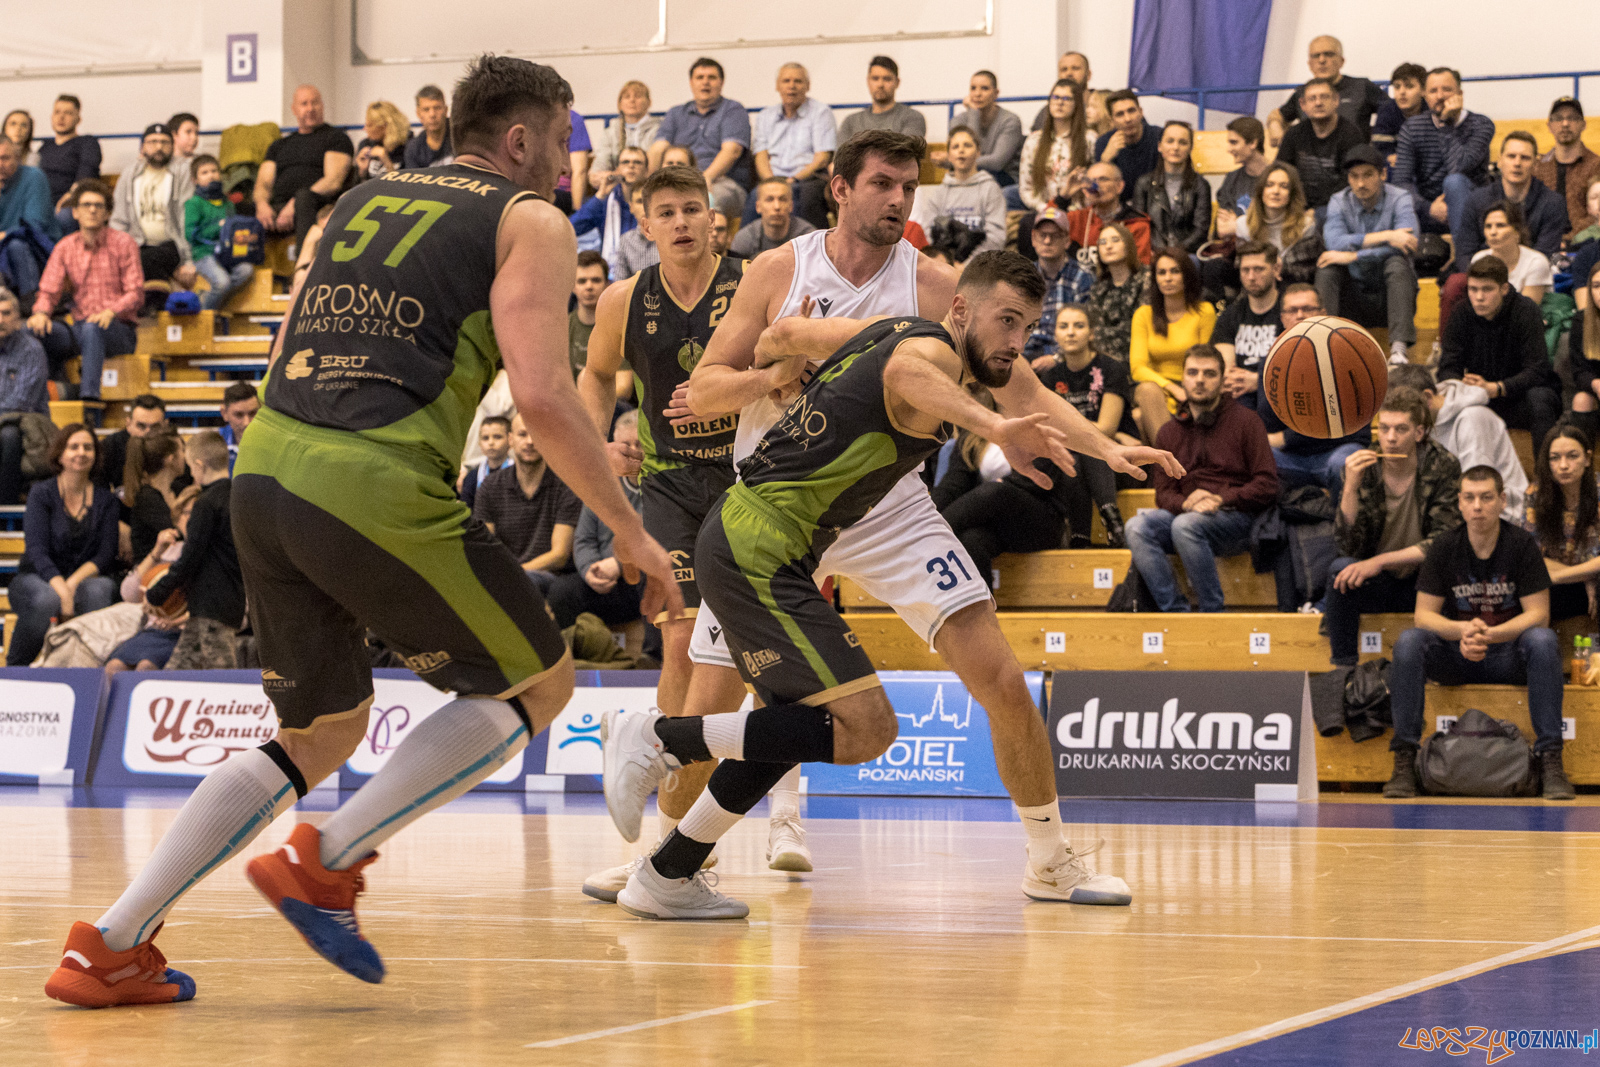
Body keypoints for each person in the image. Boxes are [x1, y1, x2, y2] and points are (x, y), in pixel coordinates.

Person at [43, 55, 683, 1008]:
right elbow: (544, 394)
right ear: (517, 140)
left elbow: (288, 338)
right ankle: (329, 858)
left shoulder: (361, 200)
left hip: (265, 470)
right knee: (539, 679)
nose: (566, 160)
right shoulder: (531, 219)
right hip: (372, 476)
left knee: (320, 729)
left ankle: (109, 942)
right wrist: (629, 531)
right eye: (560, 139)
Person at [677, 135, 1179, 911]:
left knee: (1003, 678)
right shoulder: (779, 270)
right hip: (781, 502)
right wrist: (771, 379)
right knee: (711, 696)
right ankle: (666, 856)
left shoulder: (939, 285)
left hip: (889, 507)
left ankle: (1050, 859)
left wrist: (1105, 446)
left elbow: (1024, 392)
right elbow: (702, 394)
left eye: (909, 187)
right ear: (839, 188)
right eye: (882, 183)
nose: (898, 199)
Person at [577, 163, 757, 890]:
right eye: (667, 212)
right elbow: (593, 375)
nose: (683, 222)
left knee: (733, 664)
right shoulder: (623, 299)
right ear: (643, 224)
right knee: (679, 640)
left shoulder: (752, 284)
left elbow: (792, 369)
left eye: (694, 209)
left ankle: (696, 843)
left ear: (714, 217)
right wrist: (597, 450)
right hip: (668, 486)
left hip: (749, 482)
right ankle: (670, 849)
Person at [1384, 466, 1574, 801]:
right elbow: (1423, 616)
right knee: (1409, 642)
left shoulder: (1521, 544)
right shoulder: (1444, 546)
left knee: (1543, 641)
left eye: (1486, 497)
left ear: (1502, 500)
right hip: (1457, 655)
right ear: (1459, 502)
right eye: (1470, 498)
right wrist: (1462, 631)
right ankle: (1404, 760)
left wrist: (1491, 635)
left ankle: (1551, 761)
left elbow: (1539, 615)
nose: (1478, 506)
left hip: (1507, 655)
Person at [1125, 344, 1276, 612]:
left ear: (1222, 380)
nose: (1200, 380)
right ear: (1182, 378)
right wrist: (1187, 503)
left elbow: (1266, 484)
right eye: (1193, 372)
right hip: (1188, 517)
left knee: (1186, 525)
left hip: (1237, 520)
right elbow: (1164, 494)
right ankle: (1175, 611)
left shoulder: (1247, 421)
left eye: (1209, 374)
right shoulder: (1169, 432)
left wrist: (1220, 499)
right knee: (1136, 527)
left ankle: (1212, 611)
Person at [1322, 387, 1461, 667]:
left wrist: (1378, 562)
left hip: (1427, 582)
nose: (1390, 438)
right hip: (1383, 582)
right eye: (1384, 428)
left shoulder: (1442, 465)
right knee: (1340, 571)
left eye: (1401, 429)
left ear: (1419, 433)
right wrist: (1349, 488)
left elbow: (1442, 542)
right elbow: (1347, 545)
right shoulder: (1367, 466)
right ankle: (1343, 671)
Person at [8, 423, 119, 666]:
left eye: (88, 447)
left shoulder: (106, 500)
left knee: (100, 590)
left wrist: (71, 584)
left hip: (81, 578)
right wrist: (62, 590)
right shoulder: (41, 494)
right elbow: (36, 550)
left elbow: (106, 554)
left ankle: (84, 670)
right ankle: (15, 669)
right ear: (60, 454)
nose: (81, 452)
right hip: (37, 578)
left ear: (96, 455)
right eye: (73, 447)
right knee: (47, 599)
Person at [1031, 303, 1135, 546]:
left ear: (1091, 333)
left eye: (1079, 326)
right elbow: (1049, 429)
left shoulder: (1110, 368)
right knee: (1076, 452)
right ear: (1055, 334)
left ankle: (1103, 526)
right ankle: (1092, 533)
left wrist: (1072, 433)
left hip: (1119, 462)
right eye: (1063, 326)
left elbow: (1107, 427)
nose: (1070, 332)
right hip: (1074, 461)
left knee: (1090, 444)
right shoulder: (1050, 378)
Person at [27, 181, 141, 401]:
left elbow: (135, 293)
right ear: (75, 212)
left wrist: (111, 311)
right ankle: (35, 398)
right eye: (86, 205)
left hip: (119, 330)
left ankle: (89, 399)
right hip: (77, 329)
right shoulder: (65, 247)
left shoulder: (124, 243)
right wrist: (41, 313)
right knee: (31, 331)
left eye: (99, 206)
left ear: (107, 213)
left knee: (92, 327)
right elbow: (48, 290)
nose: (92, 210)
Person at [1437, 256, 1561, 453]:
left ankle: (1543, 478)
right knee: (1444, 402)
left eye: (1487, 289)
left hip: (1520, 396)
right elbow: (1448, 367)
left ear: (1503, 289)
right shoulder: (1461, 312)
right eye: (1473, 289)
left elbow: (1538, 370)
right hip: (1480, 396)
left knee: (1541, 398)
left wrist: (1498, 388)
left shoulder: (1526, 311)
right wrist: (1461, 387)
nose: (1478, 297)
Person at [144, 430, 243, 670]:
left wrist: (158, 592)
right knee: (177, 671)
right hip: (230, 600)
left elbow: (190, 556)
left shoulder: (206, 504)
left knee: (223, 675)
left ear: (198, 465)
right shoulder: (238, 498)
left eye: (190, 466)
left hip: (211, 605)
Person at [547, 408, 652, 631]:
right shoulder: (603, 486)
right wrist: (590, 570)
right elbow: (583, 539)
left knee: (653, 580)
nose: (631, 451)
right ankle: (574, 652)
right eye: (624, 445)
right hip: (603, 579)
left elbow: (655, 538)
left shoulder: (658, 485)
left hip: (641, 577)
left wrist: (618, 564)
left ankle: (652, 658)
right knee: (562, 591)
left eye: (639, 444)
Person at [1317, 144, 1420, 364]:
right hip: (1352, 294)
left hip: (1389, 294)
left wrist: (1355, 256)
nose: (1360, 184)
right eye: (1354, 177)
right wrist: (1388, 235)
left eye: (1368, 175)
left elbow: (1409, 243)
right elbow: (1333, 242)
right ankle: (1323, 346)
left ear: (1383, 174)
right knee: (1327, 268)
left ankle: (1399, 351)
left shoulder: (1400, 198)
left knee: (1397, 263)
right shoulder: (1339, 200)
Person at [1388, 363, 1528, 522]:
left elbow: (1477, 492)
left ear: (1427, 398)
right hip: (1456, 516)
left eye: (1405, 410)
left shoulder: (1472, 419)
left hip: (1504, 519)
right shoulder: (1423, 424)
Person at [1390, 68, 1495, 274]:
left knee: (1454, 182)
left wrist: (1448, 125)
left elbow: (1459, 166)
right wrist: (1429, 207)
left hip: (1473, 209)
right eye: (1433, 91)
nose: (1440, 96)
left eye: (1446, 89)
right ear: (1425, 96)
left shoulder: (1481, 124)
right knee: (1395, 202)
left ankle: (1465, 264)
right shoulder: (1412, 127)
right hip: (1429, 212)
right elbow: (1401, 182)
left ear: (1460, 94)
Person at [474, 411, 582, 595]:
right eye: (523, 434)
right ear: (511, 439)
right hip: (503, 574)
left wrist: (516, 573)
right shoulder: (490, 486)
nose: (530, 441)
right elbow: (485, 546)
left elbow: (559, 555)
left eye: (537, 434)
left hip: (548, 576)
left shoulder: (565, 486)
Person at [104, 486, 198, 675]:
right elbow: (129, 594)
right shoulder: (169, 551)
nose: (191, 518)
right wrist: (156, 552)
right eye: (186, 513)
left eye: (198, 513)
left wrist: (178, 620)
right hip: (154, 631)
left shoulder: (217, 556)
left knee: (146, 666)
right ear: (178, 519)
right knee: (113, 667)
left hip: (187, 632)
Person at [650, 58, 754, 221]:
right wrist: (650, 182)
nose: (705, 82)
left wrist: (705, 178)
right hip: (679, 182)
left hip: (722, 182)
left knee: (706, 201)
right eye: (700, 77)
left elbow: (732, 151)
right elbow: (658, 149)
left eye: (711, 77)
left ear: (721, 82)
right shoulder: (676, 113)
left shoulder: (733, 110)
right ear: (691, 82)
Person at [1129, 249, 1215, 442]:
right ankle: (1173, 462)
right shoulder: (1144, 315)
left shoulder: (1204, 312)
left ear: (1187, 275)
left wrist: (1186, 389)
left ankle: (1169, 466)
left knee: (1140, 418)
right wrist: (1172, 389)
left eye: (1175, 271)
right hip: (1160, 390)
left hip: (1194, 388)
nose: (1168, 278)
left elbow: (1205, 361)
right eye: (1162, 272)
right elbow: (1138, 368)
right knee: (1146, 391)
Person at [253, 85, 354, 247]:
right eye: (304, 103)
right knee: (236, 206)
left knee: (303, 198)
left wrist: (294, 204)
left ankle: (304, 266)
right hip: (278, 208)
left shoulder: (336, 138)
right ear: (294, 109)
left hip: (313, 205)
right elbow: (263, 183)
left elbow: (333, 182)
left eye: (315, 103)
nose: (310, 108)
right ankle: (238, 270)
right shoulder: (279, 145)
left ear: (322, 106)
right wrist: (261, 204)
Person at [1523, 424, 1600, 625]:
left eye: (1572, 456)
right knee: (1526, 588)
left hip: (1567, 578)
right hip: (1565, 583)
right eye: (1555, 458)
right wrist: (1584, 577)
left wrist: (1560, 577)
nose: (1563, 465)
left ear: (1587, 459)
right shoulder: (1536, 496)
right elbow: (1534, 558)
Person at [1455, 132, 1566, 265]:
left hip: (1531, 278)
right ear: (1500, 160)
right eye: (1511, 156)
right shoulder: (1476, 201)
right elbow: (1465, 254)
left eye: (1525, 158)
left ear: (1536, 164)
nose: (1517, 163)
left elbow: (1544, 256)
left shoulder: (1553, 203)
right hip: (1484, 276)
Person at [109, 123, 196, 290]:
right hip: (137, 244)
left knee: (146, 259)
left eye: (165, 142)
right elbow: (118, 220)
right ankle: (159, 296)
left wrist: (188, 260)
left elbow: (186, 217)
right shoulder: (129, 174)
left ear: (172, 146)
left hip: (172, 243)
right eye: (153, 142)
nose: (159, 147)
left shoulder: (183, 171)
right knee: (136, 258)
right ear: (143, 147)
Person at [749, 63, 835, 230]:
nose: (792, 86)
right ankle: (747, 250)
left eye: (798, 81)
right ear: (777, 86)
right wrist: (771, 182)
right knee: (755, 197)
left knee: (804, 197)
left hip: (808, 179)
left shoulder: (820, 112)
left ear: (807, 86)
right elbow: (761, 155)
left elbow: (822, 158)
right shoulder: (765, 115)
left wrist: (794, 179)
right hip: (774, 178)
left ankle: (813, 248)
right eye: (786, 81)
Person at [1267, 36, 1386, 146]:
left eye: (1328, 54)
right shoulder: (1303, 92)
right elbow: (1278, 115)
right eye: (1316, 55)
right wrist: (1274, 124)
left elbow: (1393, 111)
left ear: (1341, 61)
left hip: (1354, 162)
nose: (1322, 60)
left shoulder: (1362, 87)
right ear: (1309, 64)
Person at [910, 126, 1006, 256]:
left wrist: (967, 266)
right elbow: (928, 233)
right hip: (944, 264)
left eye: (967, 145)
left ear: (978, 152)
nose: (961, 150)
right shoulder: (939, 192)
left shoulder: (990, 189)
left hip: (980, 265)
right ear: (948, 155)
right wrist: (945, 263)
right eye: (955, 147)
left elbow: (996, 238)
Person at [1272, 78, 1366, 210]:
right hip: (1297, 205)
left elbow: (1349, 182)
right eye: (1312, 98)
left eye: (1324, 97)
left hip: (1338, 206)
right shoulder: (1294, 134)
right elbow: (1281, 170)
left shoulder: (1351, 135)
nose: (1318, 103)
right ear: (1302, 105)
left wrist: (1315, 211)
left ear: (1336, 101)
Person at [1214, 241, 1283, 414]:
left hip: (1279, 395)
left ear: (1275, 269)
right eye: (1245, 270)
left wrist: (1259, 381)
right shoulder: (1231, 314)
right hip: (1241, 395)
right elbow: (1227, 371)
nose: (1251, 277)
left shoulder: (1289, 311)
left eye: (1259, 269)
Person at [1021, 207, 1092, 363]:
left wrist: (1056, 358)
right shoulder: (1022, 277)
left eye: (1055, 236)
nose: (1047, 241)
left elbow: (1087, 330)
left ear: (1067, 241)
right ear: (1033, 238)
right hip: (1023, 354)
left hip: (1065, 358)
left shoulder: (1082, 277)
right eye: (1043, 235)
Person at [184, 155, 254, 311]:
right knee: (222, 282)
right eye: (204, 172)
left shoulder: (228, 204)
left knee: (246, 270)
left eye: (214, 171)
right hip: (203, 254)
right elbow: (191, 234)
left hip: (226, 252)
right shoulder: (194, 203)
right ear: (195, 180)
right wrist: (219, 227)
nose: (211, 175)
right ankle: (204, 313)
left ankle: (216, 303)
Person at [1131, 120, 1211, 254]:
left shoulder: (1201, 185)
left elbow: (1201, 230)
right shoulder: (1144, 183)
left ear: (1190, 148)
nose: (1175, 147)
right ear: (1159, 146)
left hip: (1188, 255)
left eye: (1182, 142)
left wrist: (1175, 253)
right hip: (1153, 254)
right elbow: (1140, 225)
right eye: (1170, 141)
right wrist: (1158, 252)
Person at [0, 287, 49, 503]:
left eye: (6, 313)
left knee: (9, 436)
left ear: (18, 318)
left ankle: (5, 507)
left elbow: (20, 404)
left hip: (29, 426)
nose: (0, 319)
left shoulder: (31, 349)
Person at [1236, 161, 1320, 284]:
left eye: (1284, 186)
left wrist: (1273, 267)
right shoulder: (1243, 225)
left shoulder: (1305, 226)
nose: (1276, 191)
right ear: (1261, 191)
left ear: (1292, 194)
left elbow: (1304, 272)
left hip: (1292, 284)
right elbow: (1241, 266)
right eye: (1269, 185)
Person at [943, 71, 1024, 193]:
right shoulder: (958, 120)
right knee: (952, 182)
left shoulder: (1010, 121)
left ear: (996, 93)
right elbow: (964, 153)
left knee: (976, 181)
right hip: (968, 174)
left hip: (1003, 177)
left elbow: (997, 162)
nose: (977, 94)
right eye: (973, 88)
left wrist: (974, 111)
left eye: (984, 88)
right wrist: (974, 114)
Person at [1018, 80, 1089, 215]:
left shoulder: (1089, 139)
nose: (1060, 102)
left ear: (1077, 105)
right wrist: (1045, 208)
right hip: (1045, 212)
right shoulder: (1034, 140)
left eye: (1067, 98)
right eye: (1055, 97)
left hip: (1078, 213)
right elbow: (1026, 188)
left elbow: (1092, 184)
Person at [0, 138, 59, 301]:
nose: (0, 164)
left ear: (18, 159)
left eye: (5, 158)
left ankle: (31, 303)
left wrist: (4, 235)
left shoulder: (34, 177)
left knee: (15, 246)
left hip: (37, 247)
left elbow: (34, 226)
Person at [1062, 161, 1152, 264]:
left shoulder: (1136, 223)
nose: (1095, 185)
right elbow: (1044, 227)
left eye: (1103, 179)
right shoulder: (1076, 219)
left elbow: (1141, 267)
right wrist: (1063, 197)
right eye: (1090, 181)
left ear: (1119, 186)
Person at [1534, 97, 1600, 234]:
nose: (1565, 124)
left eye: (1573, 118)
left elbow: (1596, 214)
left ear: (1583, 124)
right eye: (1558, 118)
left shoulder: (1596, 165)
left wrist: (1570, 238)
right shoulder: (1538, 168)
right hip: (1544, 243)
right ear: (1549, 126)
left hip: (1586, 244)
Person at [122, 427, 186, 565]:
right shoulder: (147, 498)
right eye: (182, 451)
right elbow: (178, 535)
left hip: (173, 564)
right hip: (150, 570)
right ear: (170, 459)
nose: (185, 456)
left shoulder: (177, 489)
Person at [1085, 222, 1148, 362]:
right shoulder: (1099, 286)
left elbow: (1138, 328)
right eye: (1102, 242)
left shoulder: (1146, 278)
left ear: (1128, 245)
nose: (1108, 246)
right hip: (1102, 358)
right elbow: (1094, 329)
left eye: (1115, 240)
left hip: (1138, 356)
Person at [37, 95, 101, 229]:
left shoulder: (87, 142)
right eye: (57, 112)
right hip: (42, 203)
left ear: (78, 119)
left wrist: (72, 195)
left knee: (64, 215)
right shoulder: (44, 147)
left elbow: (88, 170)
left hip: (71, 202)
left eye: (68, 113)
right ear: (51, 117)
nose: (61, 117)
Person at [1093, 91, 1161, 203]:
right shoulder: (1103, 143)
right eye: (1120, 114)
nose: (1127, 119)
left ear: (1141, 112)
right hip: (1120, 210)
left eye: (1131, 111)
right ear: (1111, 121)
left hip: (1155, 206)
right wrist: (1105, 160)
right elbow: (1097, 191)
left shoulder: (1159, 136)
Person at [837, 56, 927, 141]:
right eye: (875, 78)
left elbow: (905, 152)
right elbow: (841, 156)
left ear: (897, 82)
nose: (880, 84)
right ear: (868, 81)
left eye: (887, 79)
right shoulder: (851, 122)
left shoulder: (912, 117)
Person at [592, 82, 659, 187]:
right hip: (618, 187)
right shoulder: (610, 133)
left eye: (638, 96)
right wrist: (617, 176)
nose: (632, 100)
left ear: (649, 102)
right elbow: (595, 175)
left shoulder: (660, 130)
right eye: (627, 97)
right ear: (619, 104)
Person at [730, 177, 816, 257]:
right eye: (769, 199)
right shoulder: (745, 239)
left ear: (791, 206)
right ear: (758, 207)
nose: (777, 206)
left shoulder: (808, 238)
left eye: (782, 199)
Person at [1214, 116, 1268, 233]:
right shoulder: (1231, 178)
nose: (1229, 149)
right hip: (1237, 247)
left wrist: (1236, 224)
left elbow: (1274, 226)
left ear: (1253, 143)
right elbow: (1223, 230)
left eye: (1234, 142)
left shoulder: (1277, 177)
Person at [568, 250, 610, 378]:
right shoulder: (562, 327)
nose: (589, 286)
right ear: (572, 286)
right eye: (582, 281)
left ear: (607, 284)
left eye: (596, 280)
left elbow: (624, 386)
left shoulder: (618, 326)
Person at [1372, 63, 1427, 156]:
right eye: (1397, 87)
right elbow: (1381, 150)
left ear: (1423, 90)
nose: (1402, 92)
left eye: (1409, 86)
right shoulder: (1387, 110)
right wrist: (1390, 157)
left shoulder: (1432, 111)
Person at [1570, 264, 1600, 438]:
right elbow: (1579, 371)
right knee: (1581, 399)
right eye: (1596, 286)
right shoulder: (1581, 320)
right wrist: (1595, 384)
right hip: (1597, 392)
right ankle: (1584, 460)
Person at [459, 415, 513, 511]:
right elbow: (466, 510)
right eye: (485, 438)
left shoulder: (518, 474)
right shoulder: (472, 477)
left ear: (510, 440)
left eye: (497, 437)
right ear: (479, 443)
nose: (491, 442)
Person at [1030, 52, 1093, 131]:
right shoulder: (1047, 112)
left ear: (1088, 74)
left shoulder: (1102, 105)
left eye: (1075, 68)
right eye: (1064, 69)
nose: (1069, 73)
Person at [352, 101, 410, 182]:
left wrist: (386, 161)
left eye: (369, 125)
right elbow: (357, 187)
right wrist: (362, 171)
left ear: (384, 127)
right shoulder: (366, 144)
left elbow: (406, 186)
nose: (364, 129)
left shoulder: (408, 147)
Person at [613, 184, 660, 278]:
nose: (646, 207)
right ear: (631, 207)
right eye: (640, 201)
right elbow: (619, 282)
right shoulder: (625, 241)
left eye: (650, 201)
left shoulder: (672, 236)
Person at [401, 85, 454, 169]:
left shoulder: (461, 137)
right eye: (426, 109)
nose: (432, 114)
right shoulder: (413, 148)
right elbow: (412, 180)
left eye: (437, 108)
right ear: (418, 114)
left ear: (446, 110)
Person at [217, 381, 258, 474]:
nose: (246, 423)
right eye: (239, 415)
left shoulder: (277, 444)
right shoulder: (214, 444)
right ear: (224, 413)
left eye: (252, 413)